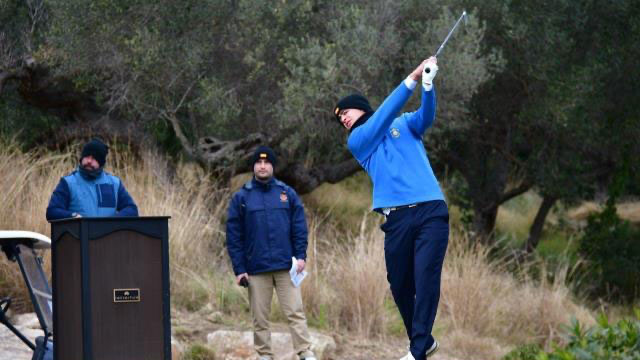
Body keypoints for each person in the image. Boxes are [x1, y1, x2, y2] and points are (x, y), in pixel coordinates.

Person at [333, 57, 449, 360]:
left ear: (360, 107)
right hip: (397, 218)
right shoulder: (358, 140)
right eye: (340, 118)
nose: (343, 119)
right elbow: (384, 114)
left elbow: (425, 118)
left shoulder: (404, 123)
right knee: (399, 283)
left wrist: (426, 85)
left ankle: (418, 349)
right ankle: (423, 341)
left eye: (345, 112)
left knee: (425, 278)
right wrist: (410, 78)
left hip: (430, 212)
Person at [226, 146, 316, 360]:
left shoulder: (287, 193)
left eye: (267, 163)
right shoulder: (242, 197)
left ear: (273, 166)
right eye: (259, 162)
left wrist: (301, 256)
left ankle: (305, 353)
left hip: (287, 267)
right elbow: (233, 236)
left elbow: (299, 228)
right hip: (256, 269)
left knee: (295, 312)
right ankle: (265, 355)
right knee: (260, 317)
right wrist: (240, 269)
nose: (263, 166)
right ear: (253, 167)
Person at [46, 138, 138, 220]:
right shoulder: (68, 183)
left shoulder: (114, 184)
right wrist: (72, 216)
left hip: (109, 238)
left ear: (101, 162)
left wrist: (113, 221)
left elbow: (132, 209)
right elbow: (52, 211)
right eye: (86, 156)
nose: (89, 161)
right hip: (79, 238)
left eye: (94, 158)